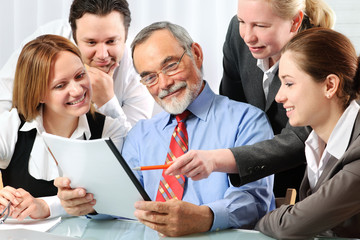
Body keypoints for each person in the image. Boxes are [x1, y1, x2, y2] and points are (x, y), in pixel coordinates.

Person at [54, 21, 275, 237]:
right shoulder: (140, 135)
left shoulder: (247, 121)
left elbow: (254, 201)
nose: (164, 84)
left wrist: (204, 217)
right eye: (150, 77)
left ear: (196, 54)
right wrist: (88, 203)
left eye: (170, 66)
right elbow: (123, 202)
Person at [166, 0, 335, 198]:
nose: (247, 36)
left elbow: (298, 140)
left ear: (295, 22)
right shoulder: (238, 36)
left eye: (261, 26)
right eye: (242, 21)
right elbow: (232, 110)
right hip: (244, 179)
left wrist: (218, 160)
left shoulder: (320, 54)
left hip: (300, 186)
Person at [0, 34, 130, 221]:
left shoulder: (110, 130)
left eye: (80, 75)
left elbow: (112, 197)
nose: (78, 90)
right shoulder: (11, 126)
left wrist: (45, 206)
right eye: (60, 85)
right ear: (38, 94)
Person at [256, 27, 360, 239]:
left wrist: (266, 217)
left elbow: (289, 226)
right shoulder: (316, 143)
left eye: (289, 83)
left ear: (330, 85)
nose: (278, 96)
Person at [0, 0, 153, 126]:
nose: (102, 55)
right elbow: (4, 97)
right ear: (74, 37)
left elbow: (134, 146)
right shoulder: (48, 42)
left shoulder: (139, 70)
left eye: (111, 41)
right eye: (91, 42)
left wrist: (108, 102)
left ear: (126, 36)